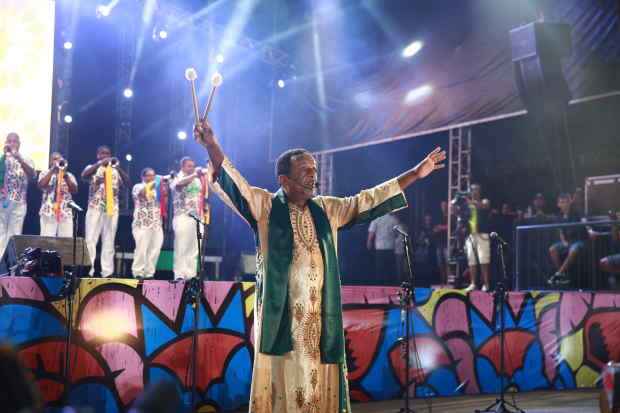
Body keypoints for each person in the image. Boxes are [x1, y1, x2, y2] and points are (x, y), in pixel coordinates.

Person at [194, 118, 445, 413]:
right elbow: (235, 184)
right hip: (282, 319)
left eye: (314, 170)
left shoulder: (327, 209)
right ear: (284, 180)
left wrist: (415, 174)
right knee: (285, 382)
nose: (313, 176)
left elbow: (368, 200)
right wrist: (212, 144)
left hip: (321, 318)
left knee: (319, 380)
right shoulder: (265, 208)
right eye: (305, 171)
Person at [81, 145, 130, 277]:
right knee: (91, 239)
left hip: (112, 209)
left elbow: (127, 182)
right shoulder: (92, 168)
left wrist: (118, 167)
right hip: (95, 207)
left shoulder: (115, 170)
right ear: (98, 155)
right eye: (103, 153)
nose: (106, 155)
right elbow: (84, 176)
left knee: (109, 240)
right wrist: (99, 164)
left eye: (108, 153)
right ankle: (88, 271)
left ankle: (107, 272)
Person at [170, 157, 209, 280]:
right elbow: (179, 185)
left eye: (193, 166)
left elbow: (203, 195)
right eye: (189, 166)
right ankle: (180, 274)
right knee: (181, 246)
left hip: (197, 217)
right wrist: (195, 175)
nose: (191, 168)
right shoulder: (176, 177)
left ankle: (191, 275)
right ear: (182, 167)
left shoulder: (197, 180)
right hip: (182, 216)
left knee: (194, 248)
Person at [0, 132, 35, 258]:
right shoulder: (2, 159)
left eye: (14, 141)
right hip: (2, 202)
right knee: (0, 234)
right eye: (9, 141)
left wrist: (19, 159)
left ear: (19, 144)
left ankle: (10, 268)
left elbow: (32, 175)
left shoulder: (26, 158)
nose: (11, 143)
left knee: (14, 235)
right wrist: (4, 157)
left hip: (19, 203)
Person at [131, 168, 167, 279]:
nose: (151, 178)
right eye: (149, 176)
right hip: (142, 223)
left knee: (155, 249)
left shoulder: (158, 189)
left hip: (156, 223)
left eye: (153, 176)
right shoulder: (138, 186)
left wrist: (164, 189)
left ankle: (149, 273)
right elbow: (141, 194)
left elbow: (163, 202)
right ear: (143, 177)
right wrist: (154, 182)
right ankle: (138, 272)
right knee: (141, 248)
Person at [547, 193, 588, 286]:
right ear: (558, 204)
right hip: (567, 242)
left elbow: (585, 222)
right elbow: (561, 232)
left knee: (573, 249)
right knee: (552, 249)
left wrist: (590, 230)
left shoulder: (577, 211)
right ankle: (563, 275)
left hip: (579, 240)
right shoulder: (559, 216)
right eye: (562, 202)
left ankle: (558, 274)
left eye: (566, 202)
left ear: (570, 202)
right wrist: (564, 242)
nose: (564, 204)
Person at [38, 152, 78, 237]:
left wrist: (65, 175)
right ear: (50, 162)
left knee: (66, 242)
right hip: (48, 212)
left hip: (65, 212)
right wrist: (52, 171)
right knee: (47, 241)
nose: (57, 161)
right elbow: (41, 185)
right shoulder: (45, 173)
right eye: (55, 159)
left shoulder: (69, 175)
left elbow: (74, 190)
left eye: (59, 159)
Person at [464, 183, 492, 292]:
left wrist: (471, 202)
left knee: (483, 259)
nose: (474, 192)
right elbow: (461, 215)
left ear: (480, 191)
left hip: (482, 234)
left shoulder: (484, 201)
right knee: (471, 260)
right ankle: (473, 283)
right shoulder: (468, 205)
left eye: (476, 190)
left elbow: (484, 206)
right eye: (472, 190)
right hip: (471, 235)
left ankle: (486, 284)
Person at [367, 212, 401, 282]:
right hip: (390, 248)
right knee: (390, 272)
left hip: (379, 249)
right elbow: (397, 234)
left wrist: (369, 244)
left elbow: (371, 234)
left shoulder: (376, 219)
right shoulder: (394, 219)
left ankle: (380, 288)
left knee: (380, 272)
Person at [433, 201, 449, 285]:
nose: (444, 207)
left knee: (447, 263)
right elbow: (434, 229)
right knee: (440, 264)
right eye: (442, 206)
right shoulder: (438, 217)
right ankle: (442, 281)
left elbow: (450, 227)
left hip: (448, 243)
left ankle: (447, 281)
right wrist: (438, 228)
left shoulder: (450, 216)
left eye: (445, 205)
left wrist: (441, 228)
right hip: (439, 243)